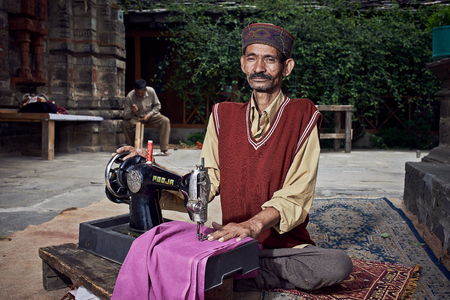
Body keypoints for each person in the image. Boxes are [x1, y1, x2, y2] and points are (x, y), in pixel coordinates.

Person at [116, 23, 352, 294]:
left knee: (337, 264)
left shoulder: (302, 115)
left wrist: (251, 226)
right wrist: (152, 172)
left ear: (287, 67)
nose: (259, 67)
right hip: (232, 240)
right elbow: (208, 181)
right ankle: (238, 271)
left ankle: (237, 273)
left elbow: (296, 196)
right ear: (243, 64)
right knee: (161, 248)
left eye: (270, 59)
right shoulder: (222, 115)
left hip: (282, 247)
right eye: (252, 58)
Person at [122, 79, 171, 155]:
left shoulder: (151, 91)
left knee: (165, 121)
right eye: (138, 93)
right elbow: (125, 116)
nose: (140, 95)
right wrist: (132, 112)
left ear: (146, 89)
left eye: (142, 93)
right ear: (134, 89)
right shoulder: (130, 96)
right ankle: (132, 148)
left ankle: (164, 149)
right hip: (136, 118)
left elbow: (157, 106)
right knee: (125, 123)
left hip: (150, 116)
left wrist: (149, 115)